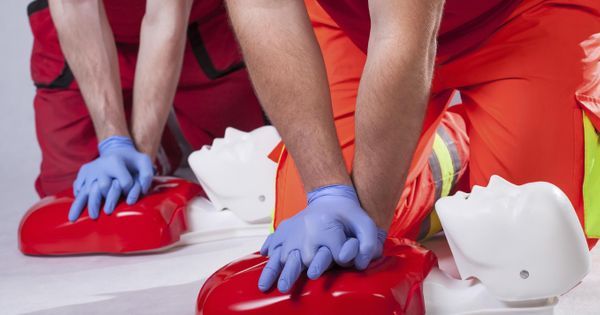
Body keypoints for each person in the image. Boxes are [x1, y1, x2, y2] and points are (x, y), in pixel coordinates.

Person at [224, 0, 600, 293]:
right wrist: (327, 192)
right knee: (319, 255)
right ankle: (453, 151)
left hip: (526, 16)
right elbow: (263, 8)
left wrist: (367, 229)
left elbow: (402, 35)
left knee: (536, 250)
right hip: (360, 29)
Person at [27, 0, 265, 221]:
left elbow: (165, 13)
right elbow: (76, 6)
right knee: (69, 203)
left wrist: (142, 157)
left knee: (251, 184)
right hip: (81, 35)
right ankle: (165, 142)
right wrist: (114, 142)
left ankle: (157, 137)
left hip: (196, 26)